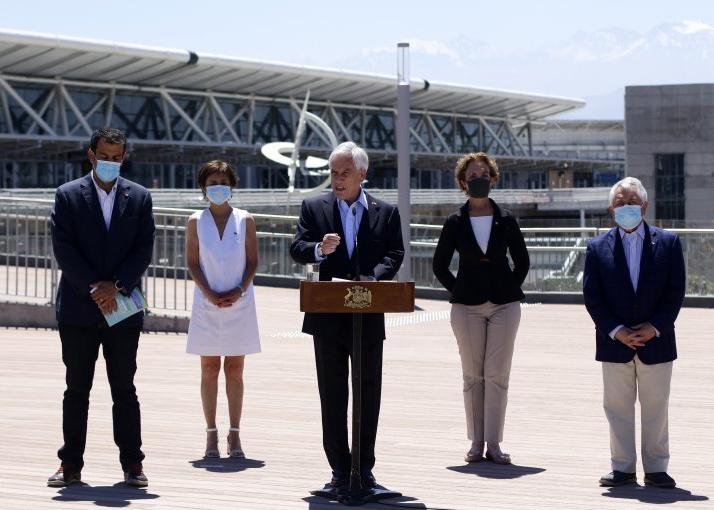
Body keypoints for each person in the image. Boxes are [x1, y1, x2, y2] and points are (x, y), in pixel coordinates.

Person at [289, 141, 404, 488]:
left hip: (368, 313)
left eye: (345, 173)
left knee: (368, 393)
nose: (337, 180)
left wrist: (377, 277)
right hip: (327, 316)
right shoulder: (313, 207)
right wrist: (318, 250)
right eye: (334, 173)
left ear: (362, 175)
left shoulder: (386, 211)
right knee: (333, 394)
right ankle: (340, 469)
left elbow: (395, 252)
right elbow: (297, 247)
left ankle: (363, 468)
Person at [48, 128, 156, 488]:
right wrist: (96, 288)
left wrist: (117, 286)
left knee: (124, 388)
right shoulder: (67, 196)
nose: (111, 161)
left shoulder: (139, 197)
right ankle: (70, 464)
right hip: (79, 307)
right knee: (76, 388)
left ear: (123, 158)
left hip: (123, 306)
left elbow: (143, 248)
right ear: (91, 155)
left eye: (117, 156)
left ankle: (133, 464)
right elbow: (63, 247)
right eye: (104, 155)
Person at [583, 176, 685, 489]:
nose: (626, 207)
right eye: (619, 202)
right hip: (615, 343)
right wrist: (616, 331)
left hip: (657, 341)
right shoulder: (597, 247)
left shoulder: (668, 242)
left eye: (631, 202)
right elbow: (593, 296)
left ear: (644, 206)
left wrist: (654, 327)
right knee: (617, 408)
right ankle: (622, 467)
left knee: (656, 407)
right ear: (610, 209)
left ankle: (656, 468)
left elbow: (675, 291)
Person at [432, 152, 530, 465]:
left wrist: (505, 288)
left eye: (484, 174)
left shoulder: (507, 218)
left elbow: (522, 261)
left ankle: (494, 443)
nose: (479, 179)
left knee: (497, 375)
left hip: (505, 306)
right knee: (473, 375)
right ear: (463, 182)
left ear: (493, 178)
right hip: (466, 308)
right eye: (473, 174)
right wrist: (460, 290)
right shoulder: (454, 221)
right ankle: (476, 442)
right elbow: (439, 265)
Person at [185, 160, 261, 459]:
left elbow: (253, 261)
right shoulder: (195, 220)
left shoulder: (246, 219)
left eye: (223, 181)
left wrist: (239, 290)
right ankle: (210, 435)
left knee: (235, 369)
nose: (218, 187)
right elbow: (192, 262)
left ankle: (235, 434)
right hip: (207, 302)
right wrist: (209, 293)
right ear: (204, 188)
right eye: (212, 182)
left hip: (240, 301)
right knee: (208, 368)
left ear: (232, 185)